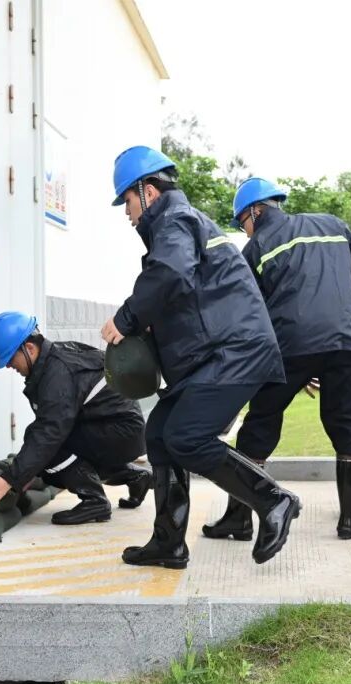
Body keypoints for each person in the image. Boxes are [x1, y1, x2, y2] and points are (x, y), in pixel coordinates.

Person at [102, 146, 300, 570]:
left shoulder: (174, 220)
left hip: (234, 351)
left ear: (148, 192)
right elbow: (186, 292)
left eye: (128, 201)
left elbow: (171, 273)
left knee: (186, 437)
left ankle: (273, 500)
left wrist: (128, 316)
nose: (127, 213)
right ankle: (168, 542)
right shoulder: (178, 224)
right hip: (215, 353)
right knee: (160, 433)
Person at [202, 178, 351, 543]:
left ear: (255, 211)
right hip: (346, 339)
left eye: (243, 223)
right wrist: (341, 296)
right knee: (347, 424)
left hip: (290, 344)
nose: (245, 231)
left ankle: (239, 518)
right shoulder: (331, 224)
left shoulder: (256, 247)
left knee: (260, 423)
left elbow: (248, 306)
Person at [0, 312, 152, 524]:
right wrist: (25, 472)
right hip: (120, 430)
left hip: (120, 432)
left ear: (29, 348)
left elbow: (49, 434)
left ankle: (94, 501)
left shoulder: (58, 373)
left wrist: (9, 480)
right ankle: (135, 477)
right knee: (50, 451)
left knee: (50, 449)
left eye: (10, 359)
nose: (9, 366)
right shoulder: (54, 360)